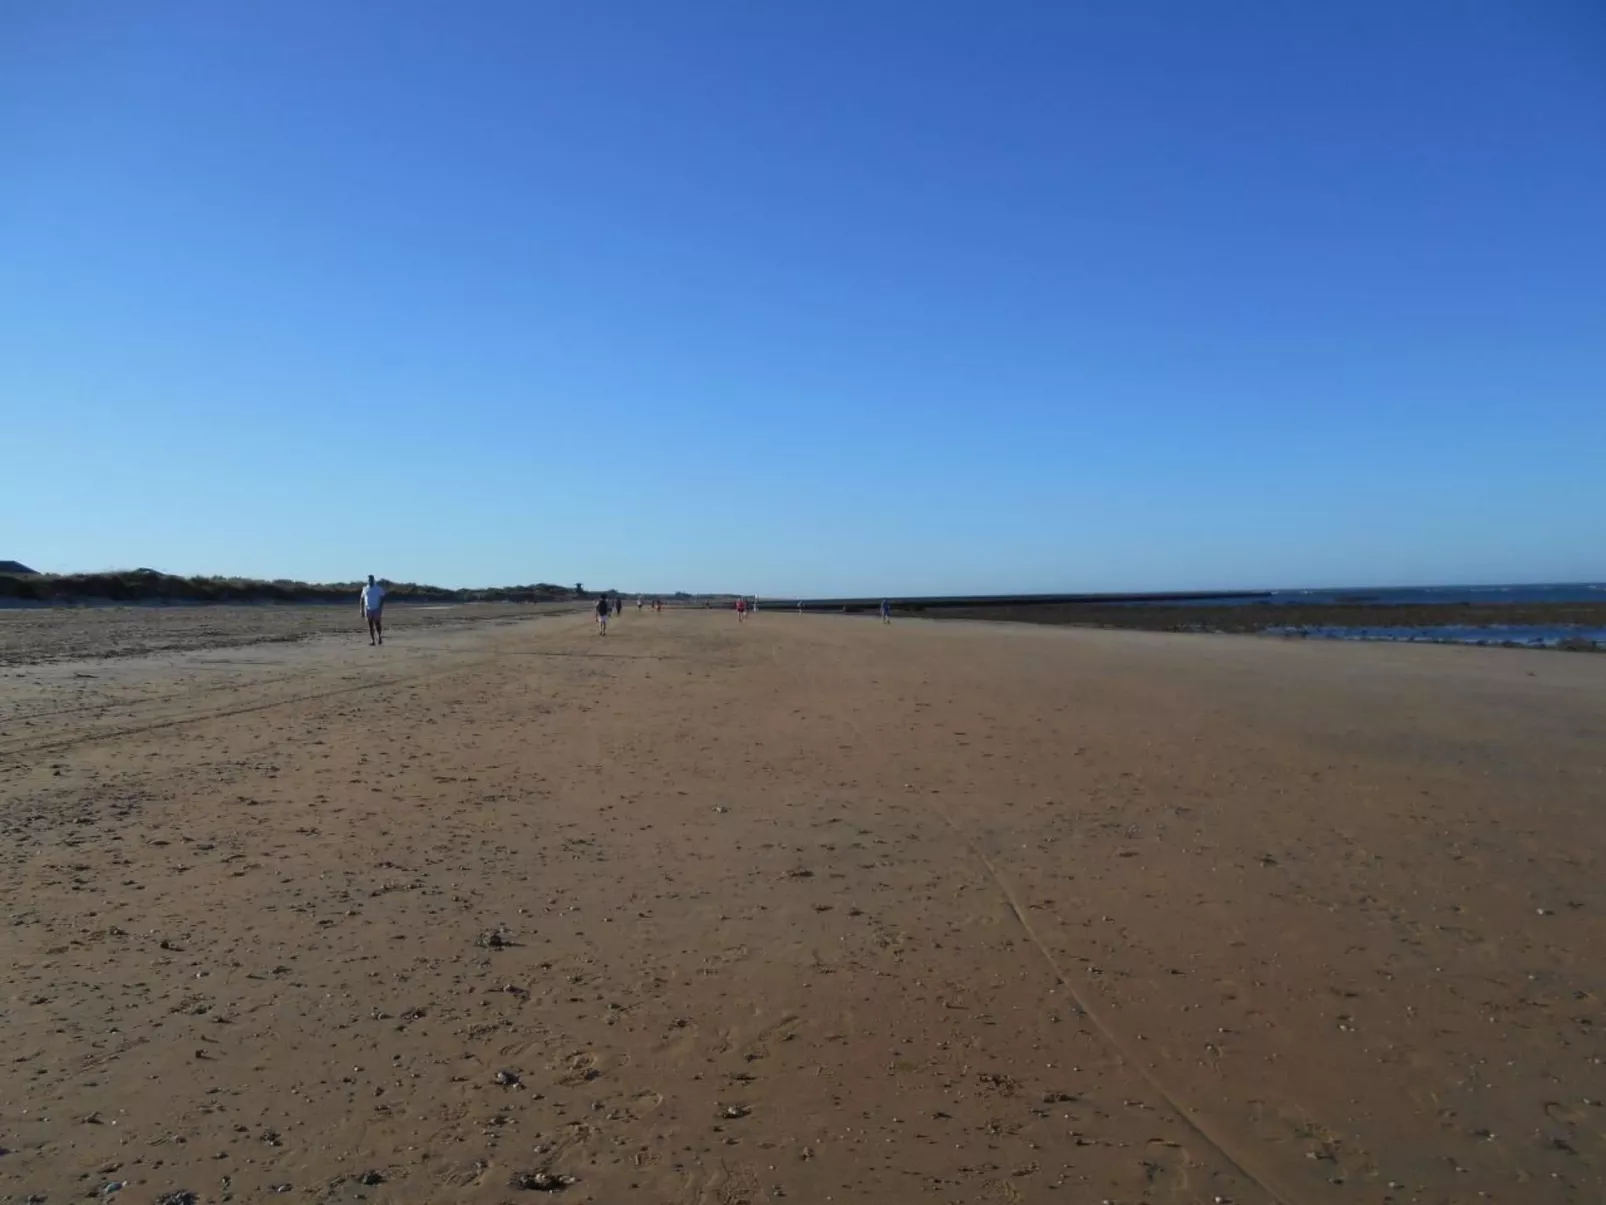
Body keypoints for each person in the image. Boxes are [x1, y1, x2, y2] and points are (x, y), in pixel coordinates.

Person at [360, 574, 386, 645]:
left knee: (377, 624)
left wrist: (380, 607)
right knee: (370, 625)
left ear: (373, 580)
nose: (370, 581)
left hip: (376, 609)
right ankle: (372, 640)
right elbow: (362, 599)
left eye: (371, 579)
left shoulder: (378, 588)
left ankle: (380, 637)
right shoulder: (365, 588)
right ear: (367, 580)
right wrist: (361, 609)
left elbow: (383, 598)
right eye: (369, 579)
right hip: (368, 609)